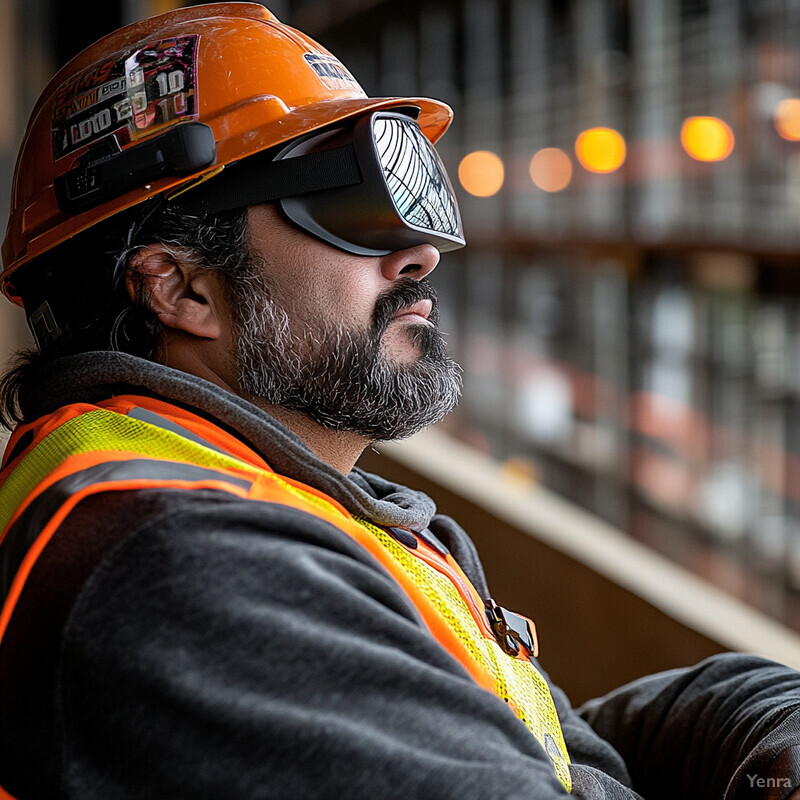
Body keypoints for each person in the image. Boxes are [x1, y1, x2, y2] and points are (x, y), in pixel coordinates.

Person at [0, 4, 798, 799]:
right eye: (349, 207)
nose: (419, 254)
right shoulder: (180, 560)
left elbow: (541, 748)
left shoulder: (277, 503)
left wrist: (769, 717)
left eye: (411, 199)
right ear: (181, 288)